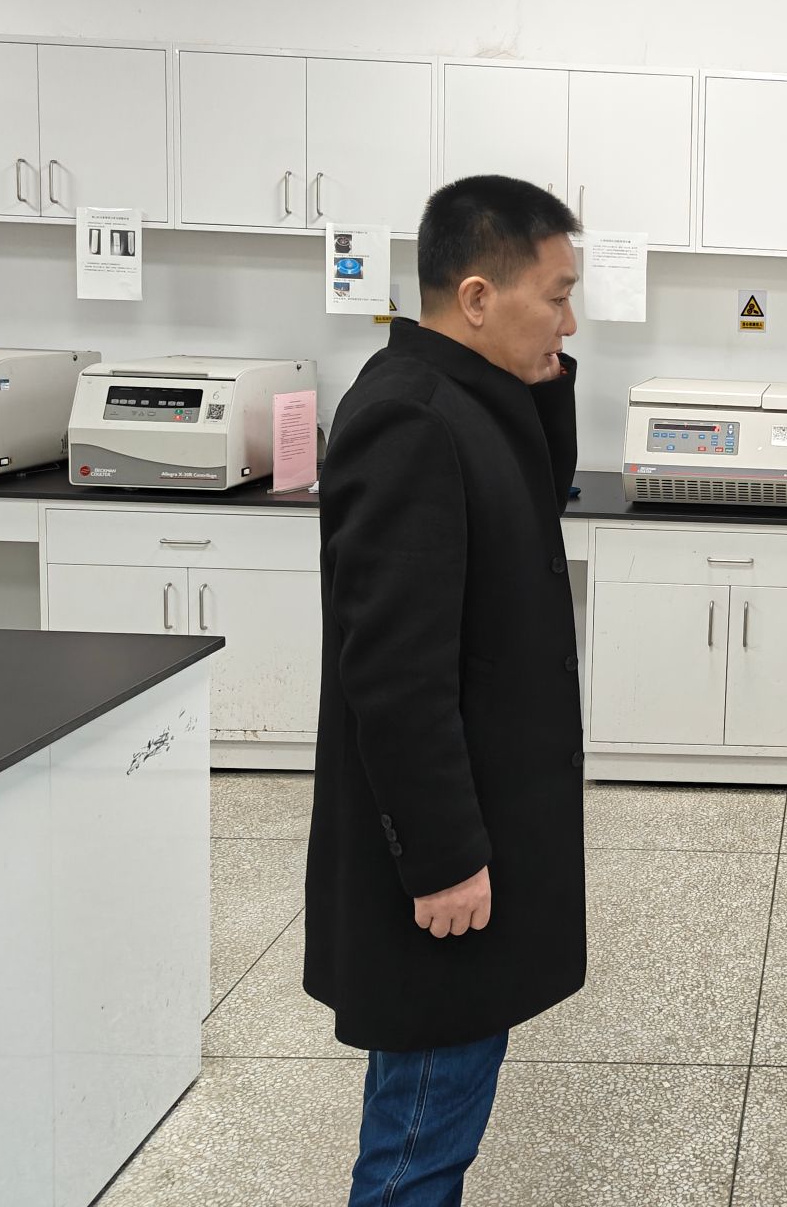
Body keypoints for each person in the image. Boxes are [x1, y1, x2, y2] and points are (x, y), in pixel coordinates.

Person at [304, 174, 584, 1206]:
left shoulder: (463, 399)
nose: (569, 320)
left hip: (478, 821)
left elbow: (536, 495)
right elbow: (394, 672)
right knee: (421, 1136)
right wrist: (444, 860)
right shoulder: (411, 420)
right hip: (441, 855)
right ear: (476, 298)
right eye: (556, 297)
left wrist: (546, 374)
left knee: (435, 1096)